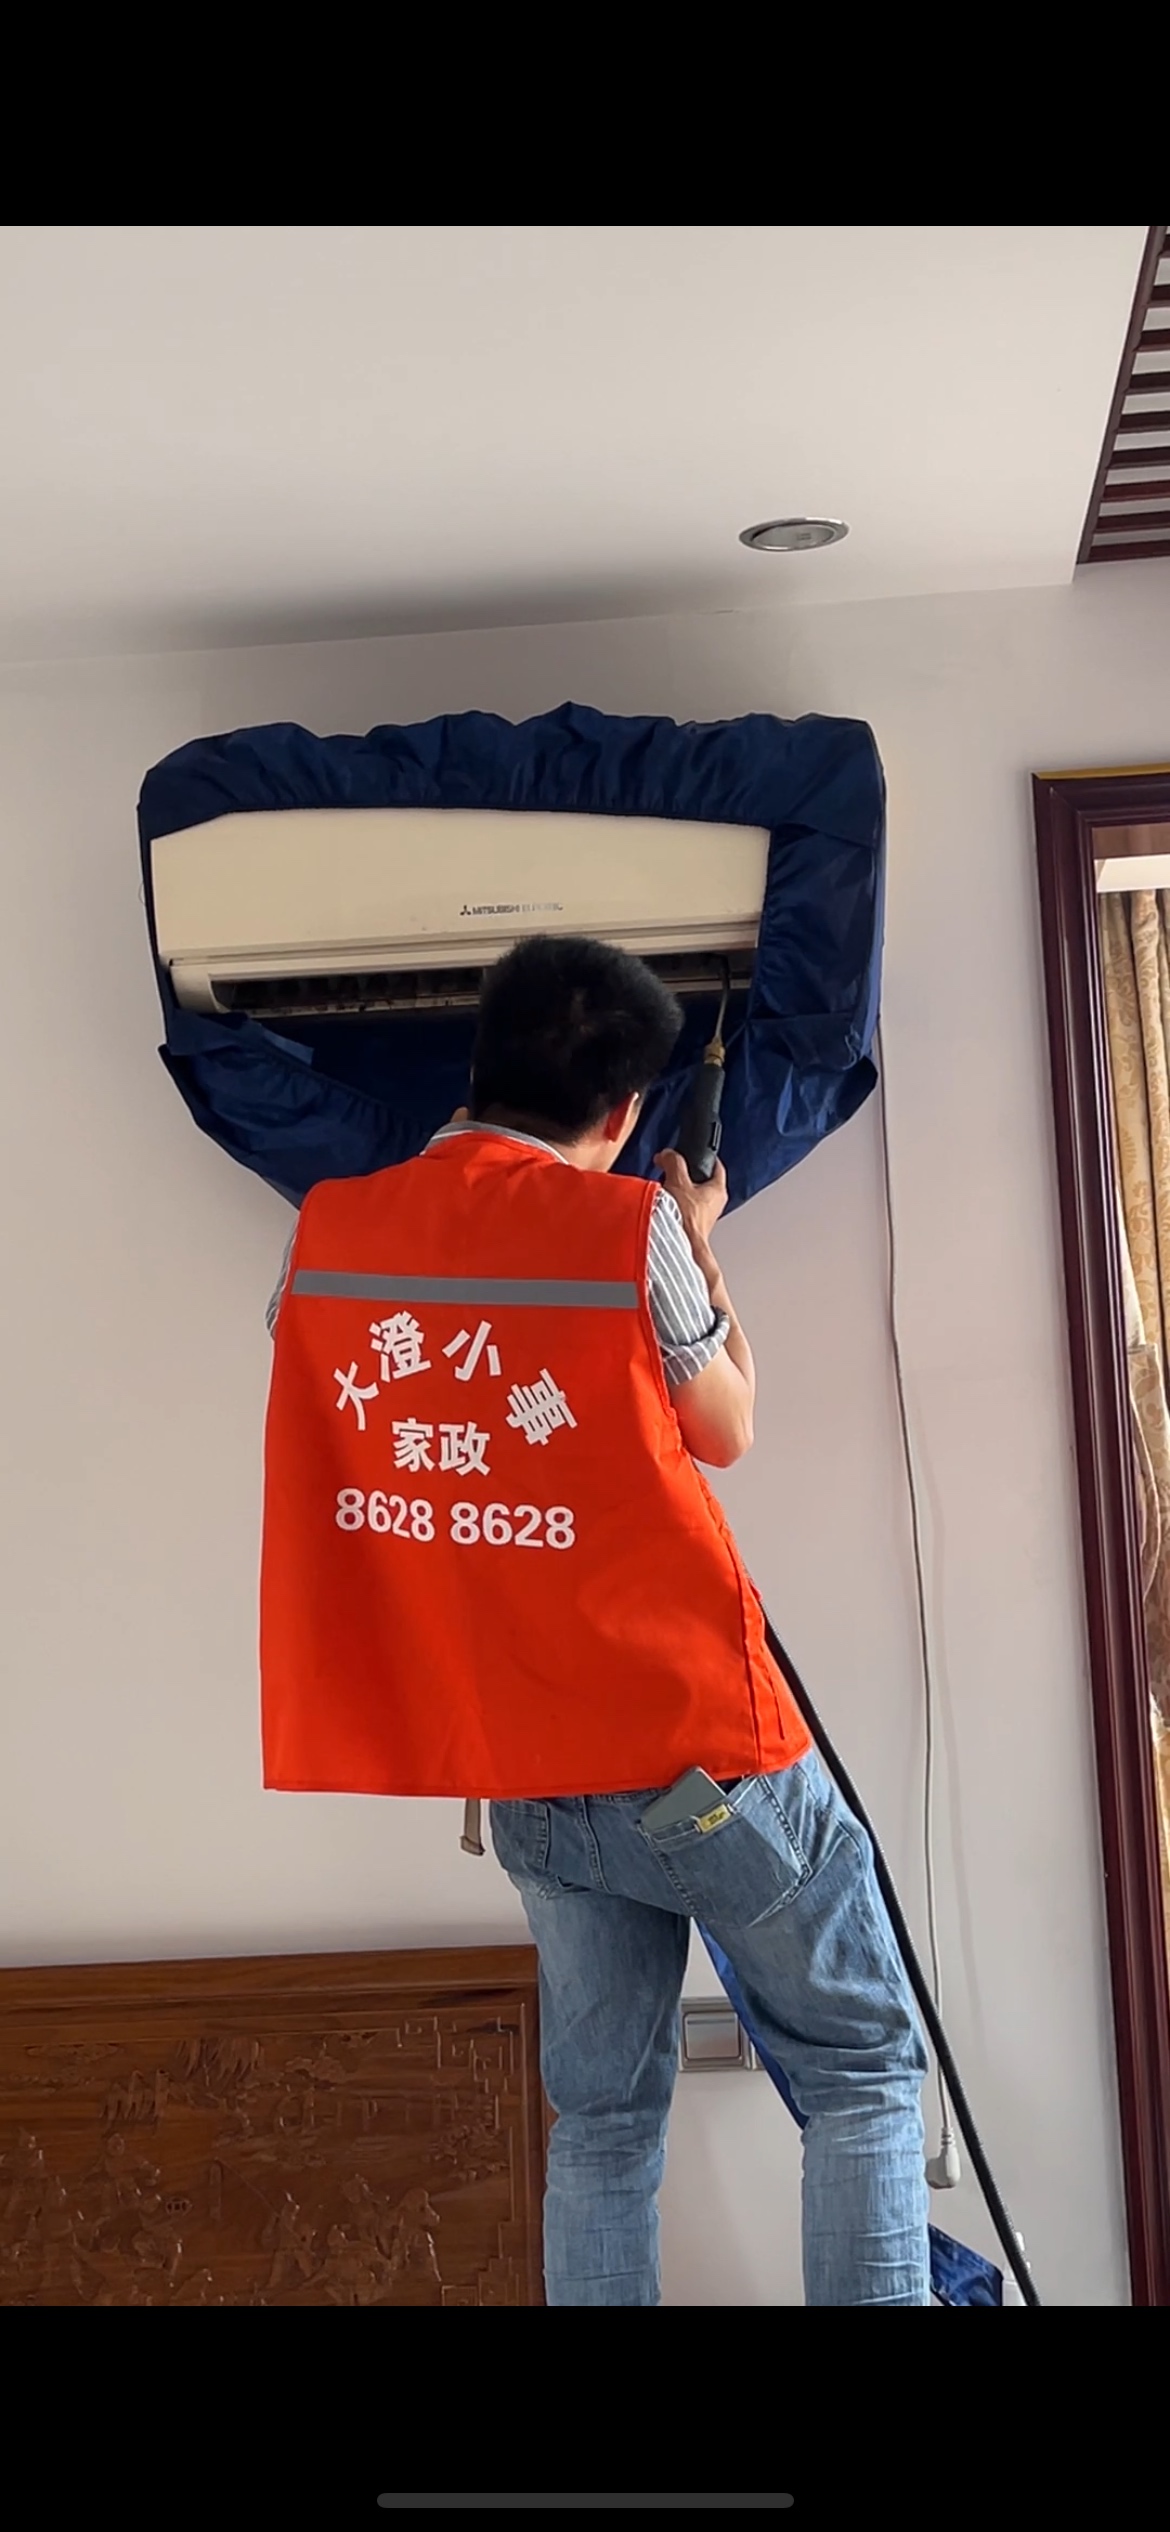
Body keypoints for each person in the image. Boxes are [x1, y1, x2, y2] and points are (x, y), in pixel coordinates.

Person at [263, 935, 930, 2307]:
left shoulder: (326, 1230)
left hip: (525, 1770)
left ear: (477, 1064)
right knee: (861, 2067)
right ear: (624, 1114)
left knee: (606, 2123)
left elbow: (331, 1371)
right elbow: (724, 1428)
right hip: (694, 1750)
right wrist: (698, 1251)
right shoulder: (627, 1227)